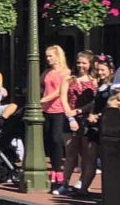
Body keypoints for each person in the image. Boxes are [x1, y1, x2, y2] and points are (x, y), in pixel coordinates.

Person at [56, 50, 97, 196]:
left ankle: (82, 181)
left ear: (90, 64)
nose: (81, 65)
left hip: (86, 119)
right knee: (70, 153)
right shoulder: (69, 79)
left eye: (84, 63)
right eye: (79, 62)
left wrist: (79, 111)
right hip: (70, 118)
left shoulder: (94, 80)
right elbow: (63, 98)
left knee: (86, 154)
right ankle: (64, 183)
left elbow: (94, 101)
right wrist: (70, 116)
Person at [41, 45, 70, 192]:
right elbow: (40, 86)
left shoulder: (65, 73)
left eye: (51, 56)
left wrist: (43, 99)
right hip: (46, 111)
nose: (48, 59)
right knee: (48, 140)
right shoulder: (46, 72)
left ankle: (58, 171)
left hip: (58, 109)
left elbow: (59, 92)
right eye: (47, 56)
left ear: (58, 56)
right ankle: (53, 168)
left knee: (56, 139)